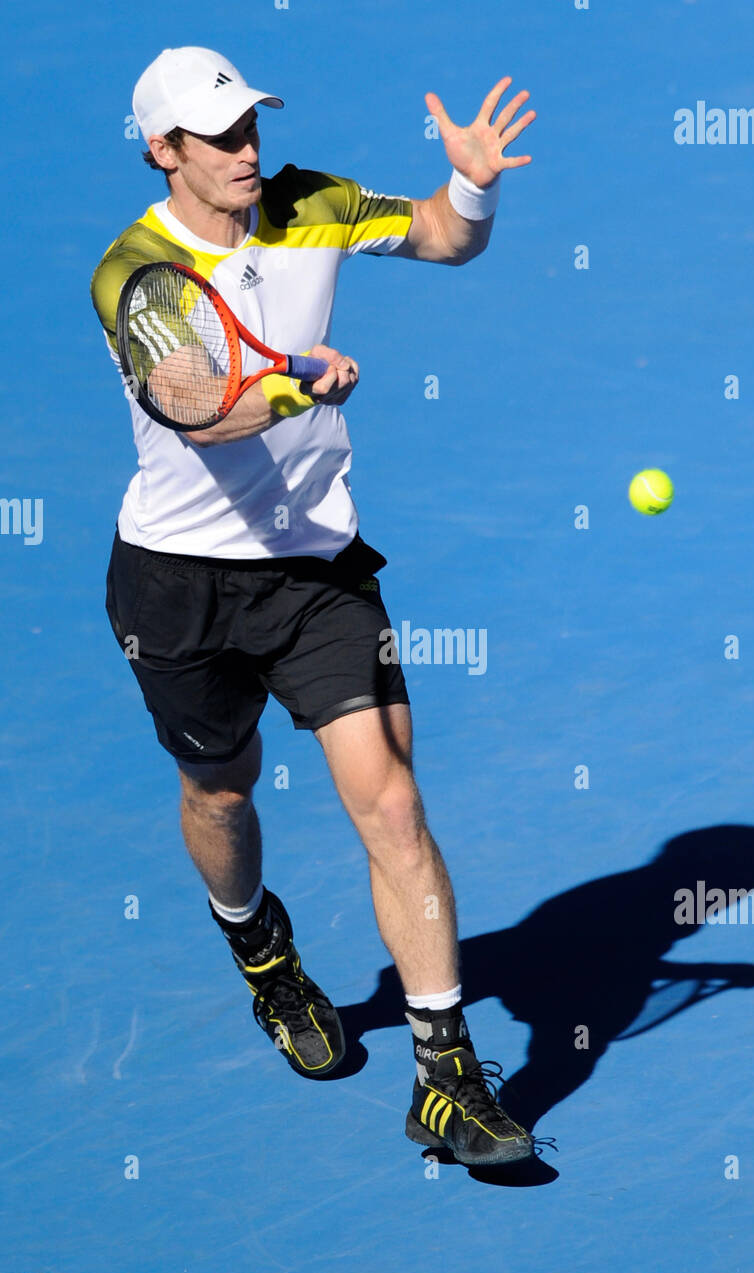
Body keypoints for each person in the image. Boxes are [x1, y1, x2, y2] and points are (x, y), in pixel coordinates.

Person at [90, 46, 536, 1166]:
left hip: (317, 573)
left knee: (390, 804)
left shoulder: (312, 202)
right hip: (179, 582)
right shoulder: (133, 271)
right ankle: (260, 950)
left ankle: (445, 1074)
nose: (247, 151)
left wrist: (470, 186)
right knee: (220, 796)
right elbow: (200, 408)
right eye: (219, 137)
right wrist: (297, 378)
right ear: (162, 151)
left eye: (251, 127)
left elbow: (441, 235)